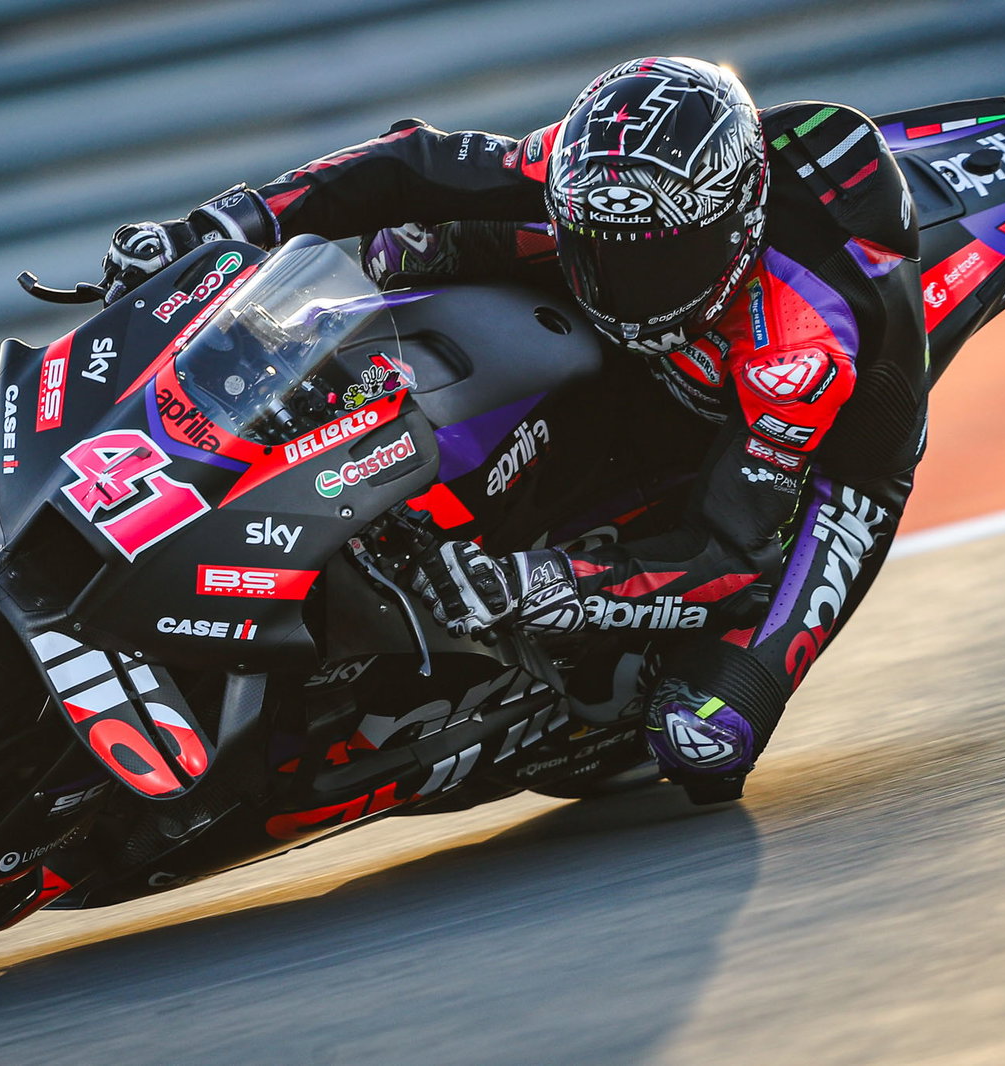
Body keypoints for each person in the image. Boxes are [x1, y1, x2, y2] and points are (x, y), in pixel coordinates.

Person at [100, 57, 928, 805]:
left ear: (737, 231)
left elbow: (730, 554)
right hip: (647, 339)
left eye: (654, 261)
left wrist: (535, 583)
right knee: (414, 240)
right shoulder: (579, 167)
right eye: (600, 248)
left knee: (706, 737)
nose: (623, 284)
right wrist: (221, 226)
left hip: (831, 465)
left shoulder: (802, 346)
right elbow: (407, 165)